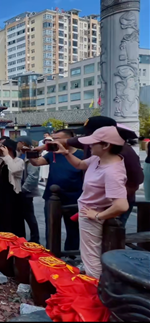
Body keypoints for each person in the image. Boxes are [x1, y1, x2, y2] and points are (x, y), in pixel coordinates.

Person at [52, 126, 129, 279]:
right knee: (89, 254)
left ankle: (94, 289)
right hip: (87, 211)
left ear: (106, 146)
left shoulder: (112, 171)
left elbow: (121, 205)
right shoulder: (98, 159)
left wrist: (98, 215)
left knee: (90, 257)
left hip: (92, 214)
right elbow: (81, 165)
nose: (89, 146)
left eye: (93, 143)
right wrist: (66, 153)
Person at [46, 116, 143, 226]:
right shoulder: (96, 152)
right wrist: (51, 147)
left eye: (91, 136)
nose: (88, 141)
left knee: (111, 238)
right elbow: (78, 160)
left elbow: (136, 181)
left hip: (111, 206)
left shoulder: (122, 155)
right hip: (96, 205)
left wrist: (109, 200)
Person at [30, 129, 83, 251]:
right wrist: (34, 154)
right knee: (51, 227)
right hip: (51, 197)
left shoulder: (81, 155)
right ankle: (51, 252)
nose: (55, 141)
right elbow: (37, 162)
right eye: (54, 138)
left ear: (69, 139)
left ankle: (71, 254)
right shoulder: (53, 154)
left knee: (73, 230)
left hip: (73, 198)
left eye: (58, 138)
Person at [0, 139, 26, 237]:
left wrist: (7, 155)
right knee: (1, 217)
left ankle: (14, 242)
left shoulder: (19, 161)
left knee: (12, 220)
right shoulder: (0, 161)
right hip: (1, 193)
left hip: (13, 195)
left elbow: (14, 169)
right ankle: (1, 239)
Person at [16, 136, 41, 244]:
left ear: (22, 143)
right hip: (18, 190)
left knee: (29, 215)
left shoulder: (31, 155)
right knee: (20, 215)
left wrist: (23, 189)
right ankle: (21, 237)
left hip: (25, 191)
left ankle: (35, 238)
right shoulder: (19, 154)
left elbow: (33, 176)